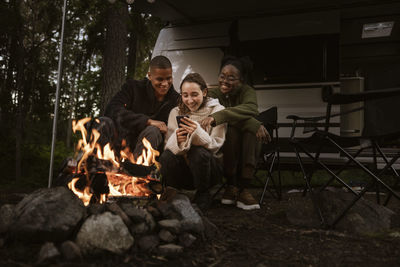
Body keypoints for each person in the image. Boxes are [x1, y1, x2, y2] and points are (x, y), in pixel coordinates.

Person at [201, 55, 270, 210]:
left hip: (247, 140)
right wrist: (252, 122)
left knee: (251, 134)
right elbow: (214, 112)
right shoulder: (213, 94)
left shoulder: (247, 91)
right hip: (221, 138)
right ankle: (231, 185)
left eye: (231, 78)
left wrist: (223, 116)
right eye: (222, 76)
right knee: (232, 131)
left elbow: (251, 108)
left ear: (241, 80)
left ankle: (243, 188)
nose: (225, 81)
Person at [159, 73, 227, 210]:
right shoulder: (175, 112)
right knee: (166, 156)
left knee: (198, 152)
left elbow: (215, 145)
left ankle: (203, 194)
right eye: (185, 95)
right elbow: (168, 146)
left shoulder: (217, 110)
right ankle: (173, 190)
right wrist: (178, 140)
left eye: (194, 94)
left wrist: (197, 133)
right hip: (184, 171)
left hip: (208, 170)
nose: (190, 100)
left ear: (204, 92)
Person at [104, 55, 180, 157]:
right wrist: (147, 121)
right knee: (102, 122)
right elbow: (112, 110)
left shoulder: (177, 100)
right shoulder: (133, 87)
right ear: (149, 76)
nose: (165, 83)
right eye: (160, 79)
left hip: (152, 151)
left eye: (168, 78)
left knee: (153, 131)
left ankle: (138, 170)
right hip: (122, 142)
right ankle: (98, 170)